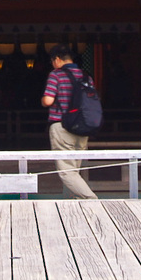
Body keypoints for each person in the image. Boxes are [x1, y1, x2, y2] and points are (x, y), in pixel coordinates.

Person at [40, 46, 97, 200]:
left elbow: (48, 99)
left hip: (62, 126)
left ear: (57, 59)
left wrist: (43, 101)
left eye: (52, 61)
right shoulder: (86, 76)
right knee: (75, 169)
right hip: (83, 127)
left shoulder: (56, 75)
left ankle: (91, 199)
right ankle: (78, 201)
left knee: (66, 170)